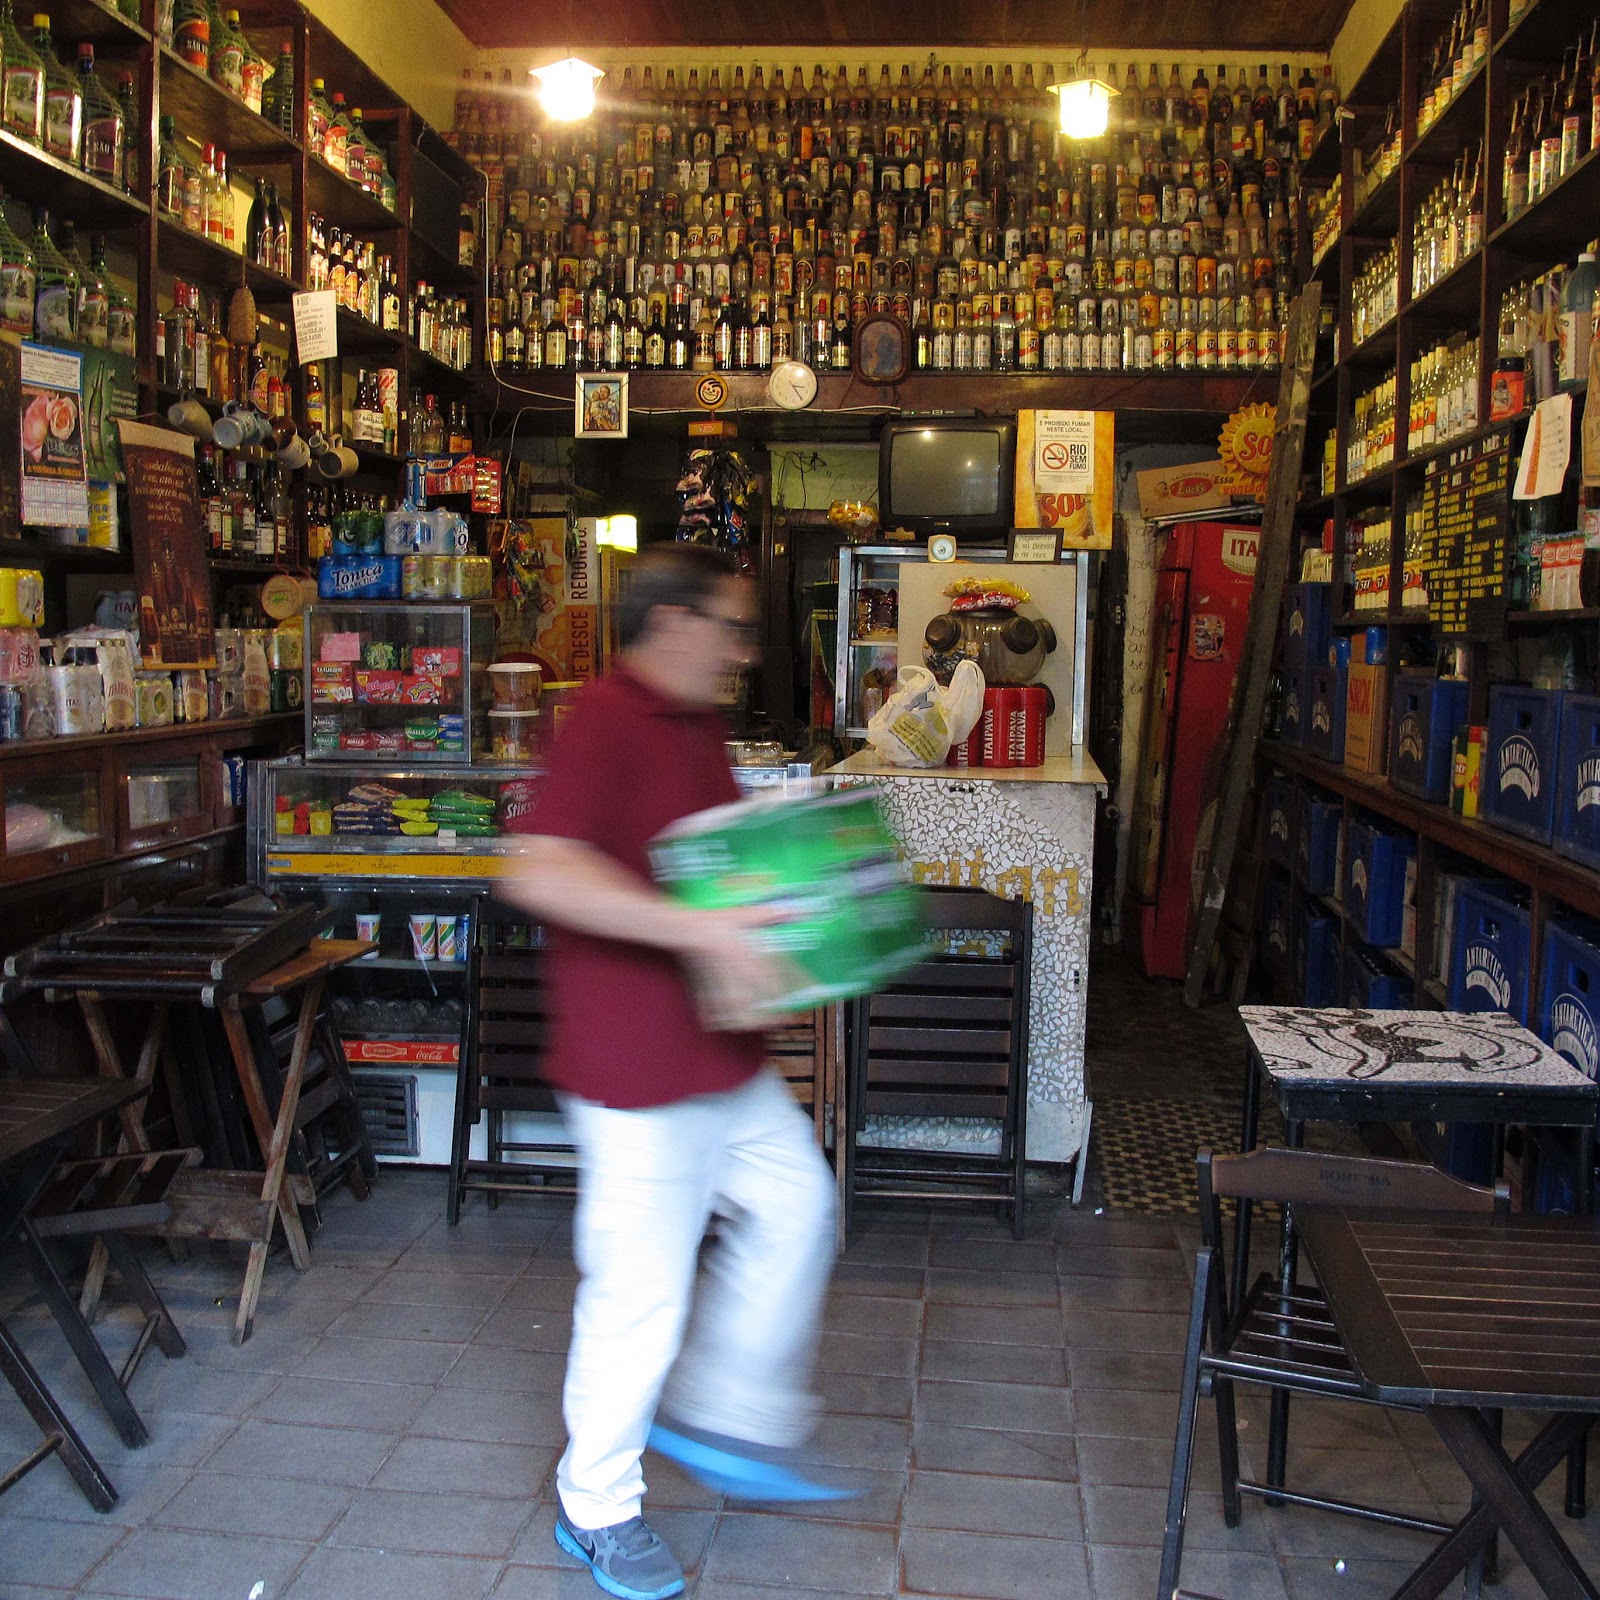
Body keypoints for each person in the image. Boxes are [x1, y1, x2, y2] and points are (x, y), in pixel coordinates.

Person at [501, 542, 844, 1600]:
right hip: (633, 1065)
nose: (743, 649)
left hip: (715, 1051)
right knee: (639, 1293)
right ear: (673, 623)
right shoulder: (603, 716)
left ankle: (722, 1412)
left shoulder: (698, 724)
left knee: (799, 1209)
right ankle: (595, 1505)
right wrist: (692, 932)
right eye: (732, 627)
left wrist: (784, 936)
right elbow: (537, 865)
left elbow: (713, 866)